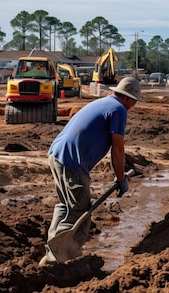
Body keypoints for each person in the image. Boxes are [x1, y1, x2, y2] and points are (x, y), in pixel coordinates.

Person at [39, 77, 142, 266]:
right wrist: (121, 178)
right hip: (72, 162)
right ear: (128, 98)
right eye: (134, 101)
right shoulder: (119, 110)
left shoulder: (104, 102)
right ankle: (59, 262)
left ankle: (50, 255)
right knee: (79, 212)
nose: (134, 105)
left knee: (65, 207)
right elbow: (118, 148)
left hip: (57, 155)